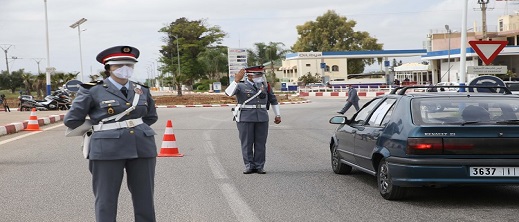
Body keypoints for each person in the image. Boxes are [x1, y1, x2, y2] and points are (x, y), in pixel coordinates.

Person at [64, 46, 158, 222]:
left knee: (145, 198)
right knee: (106, 200)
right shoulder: (92, 90)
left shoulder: (142, 90)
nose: (125, 68)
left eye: (129, 65)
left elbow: (151, 116)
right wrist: (101, 131)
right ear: (108, 68)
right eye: (119, 65)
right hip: (106, 150)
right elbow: (72, 120)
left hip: (142, 148)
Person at [225, 66, 281, 174]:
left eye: (261, 75)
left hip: (262, 117)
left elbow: (273, 100)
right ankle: (249, 165)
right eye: (257, 75)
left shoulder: (265, 86)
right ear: (249, 75)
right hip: (245, 118)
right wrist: (236, 80)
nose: (260, 77)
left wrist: (277, 114)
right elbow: (228, 93)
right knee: (247, 142)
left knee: (261, 143)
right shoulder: (240, 85)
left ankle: (260, 166)